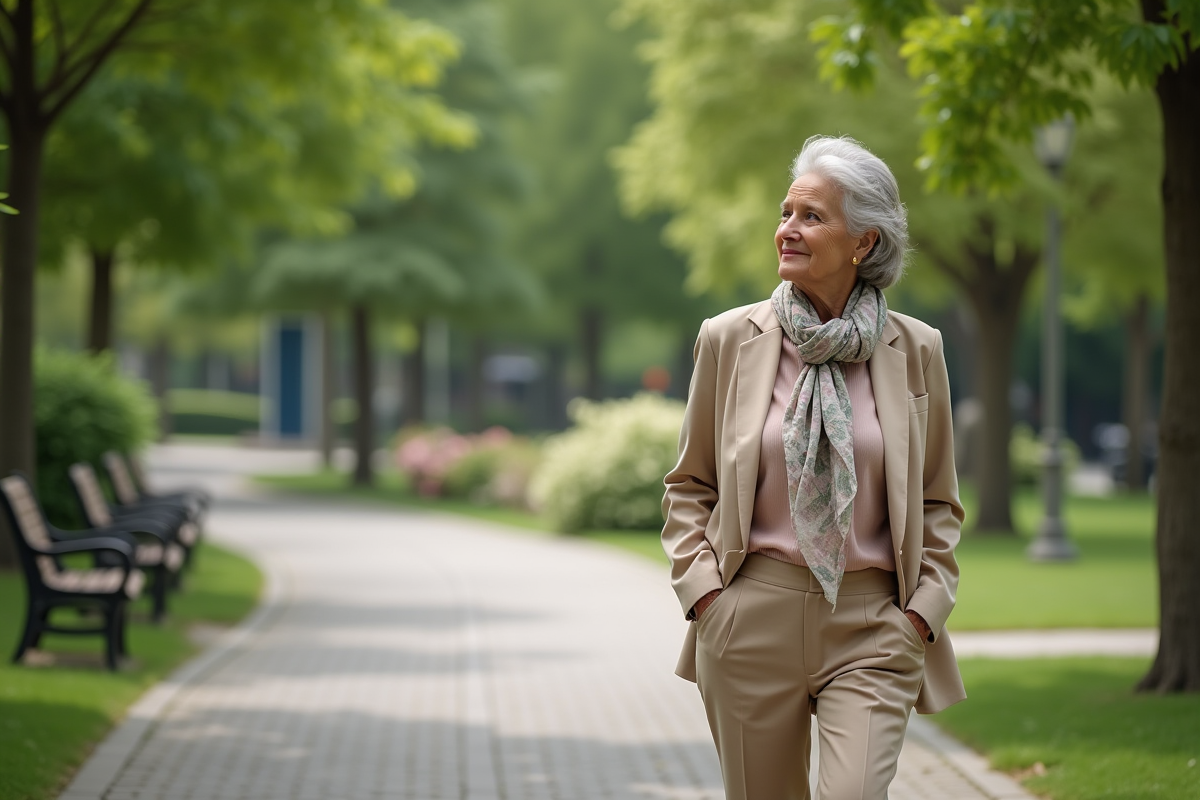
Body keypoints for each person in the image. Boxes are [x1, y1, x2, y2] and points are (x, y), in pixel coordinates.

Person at [662, 134, 966, 800]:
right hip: (749, 618)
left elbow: (938, 499)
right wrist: (707, 597)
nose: (788, 230)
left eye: (812, 216)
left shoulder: (917, 349)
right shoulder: (728, 339)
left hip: (874, 625)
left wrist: (921, 613)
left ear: (864, 242)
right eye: (786, 213)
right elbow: (690, 485)